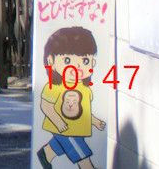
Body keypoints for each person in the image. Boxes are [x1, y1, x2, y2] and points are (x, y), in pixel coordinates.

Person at [36, 26, 106, 169]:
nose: (76, 67)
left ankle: (47, 153)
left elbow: (84, 111)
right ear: (51, 61)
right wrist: (58, 122)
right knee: (77, 147)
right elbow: (46, 105)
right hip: (64, 127)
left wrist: (95, 121)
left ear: (92, 62)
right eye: (67, 60)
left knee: (62, 144)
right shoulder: (55, 86)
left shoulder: (85, 89)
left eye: (85, 61)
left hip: (77, 127)